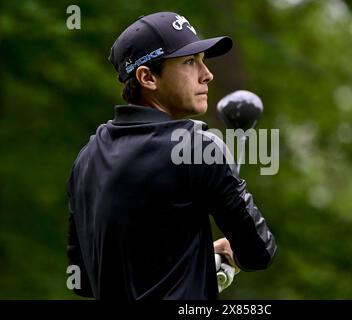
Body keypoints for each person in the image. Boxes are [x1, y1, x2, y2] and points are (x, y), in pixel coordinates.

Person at [66, 11, 277, 300]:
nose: (207, 74)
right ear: (147, 77)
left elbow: (84, 282)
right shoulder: (197, 147)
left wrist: (195, 261)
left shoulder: (86, 158)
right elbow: (258, 252)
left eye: (203, 61)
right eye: (190, 62)